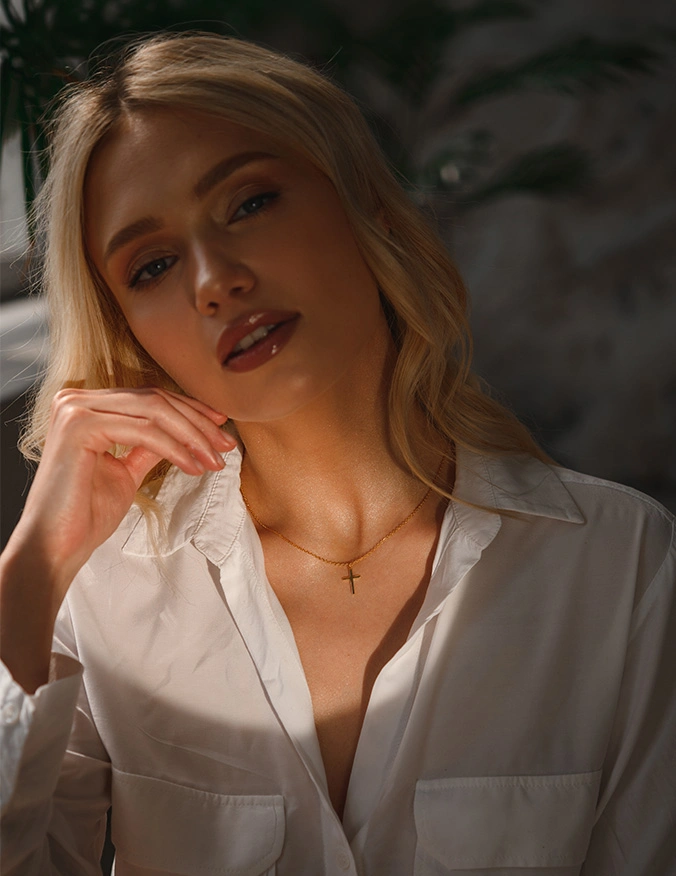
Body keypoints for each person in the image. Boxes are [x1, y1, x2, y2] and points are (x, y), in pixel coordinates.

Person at [0, 31, 674, 876]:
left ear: (366, 208)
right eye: (154, 264)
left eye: (249, 203)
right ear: (131, 334)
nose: (214, 280)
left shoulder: (619, 563)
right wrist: (32, 567)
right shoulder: (102, 591)